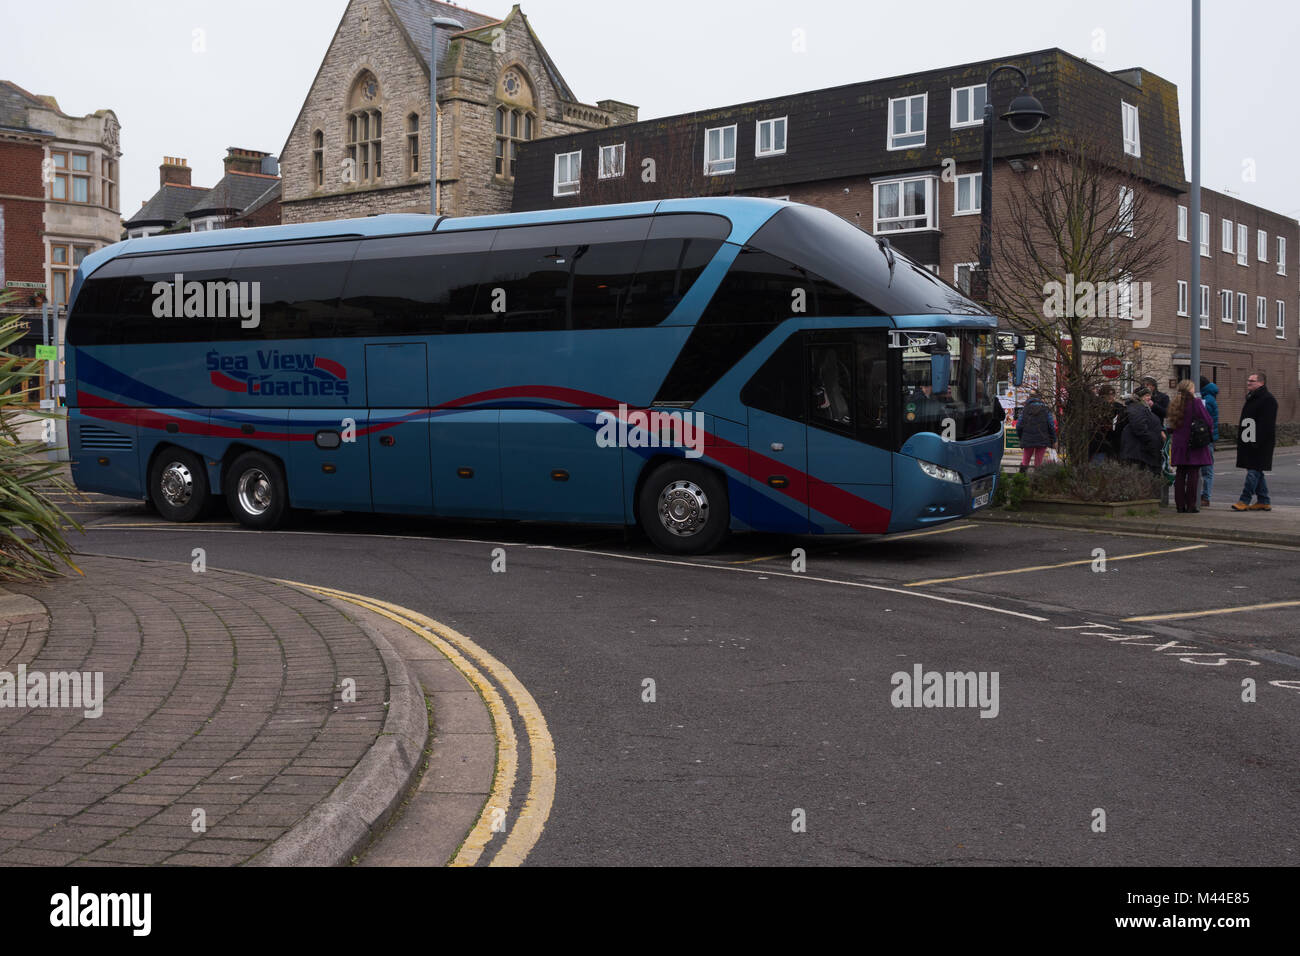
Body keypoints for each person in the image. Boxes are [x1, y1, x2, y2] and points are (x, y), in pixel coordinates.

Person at [1231, 370, 1278, 512]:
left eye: (1252, 381)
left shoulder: (1267, 400)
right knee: (1257, 471)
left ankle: (1244, 500)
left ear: (1261, 383)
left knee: (1253, 471)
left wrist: (1256, 442)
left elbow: (1265, 425)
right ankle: (1263, 500)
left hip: (1259, 443)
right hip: (1249, 440)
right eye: (1248, 380)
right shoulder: (1252, 398)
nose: (1248, 383)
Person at [1167, 379, 1214, 513]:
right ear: (1190, 389)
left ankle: (1180, 505)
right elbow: (1208, 420)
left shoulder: (1175, 403)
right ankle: (1191, 504)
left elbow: (1171, 424)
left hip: (1178, 443)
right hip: (1193, 442)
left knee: (1180, 474)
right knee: (1193, 475)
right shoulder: (1196, 402)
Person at [1120, 387, 1163, 478]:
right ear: (1140, 397)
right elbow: (1139, 428)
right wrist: (1153, 440)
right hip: (1139, 453)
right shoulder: (1136, 408)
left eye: (1150, 395)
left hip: (1143, 452)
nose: (1149, 398)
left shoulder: (1141, 407)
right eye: (1147, 395)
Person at [1016, 391, 1056, 471]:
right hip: (1042, 438)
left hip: (1028, 439)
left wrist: (1021, 437)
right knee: (1038, 463)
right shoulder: (1045, 409)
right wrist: (1053, 439)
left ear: (1029, 398)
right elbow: (1051, 425)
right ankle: (1037, 481)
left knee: (1025, 461)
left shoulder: (1025, 410)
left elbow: (1018, 425)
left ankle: (1021, 480)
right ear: (1040, 398)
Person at [1199, 376, 1219, 507]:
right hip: (1208, 438)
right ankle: (1204, 495)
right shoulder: (1208, 397)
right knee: (1207, 468)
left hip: (1206, 438)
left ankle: (1205, 496)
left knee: (1207, 469)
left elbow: (1203, 418)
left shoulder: (1207, 399)